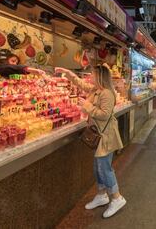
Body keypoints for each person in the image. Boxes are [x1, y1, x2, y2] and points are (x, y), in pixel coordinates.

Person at [55, 65, 125, 219]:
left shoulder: (107, 93)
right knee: (97, 168)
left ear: (100, 77)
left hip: (105, 136)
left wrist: (86, 105)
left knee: (105, 169)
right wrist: (68, 73)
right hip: (98, 134)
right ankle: (101, 195)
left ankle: (117, 197)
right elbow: (81, 84)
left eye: (93, 75)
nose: (90, 77)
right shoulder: (96, 89)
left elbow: (105, 115)